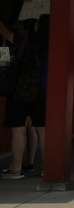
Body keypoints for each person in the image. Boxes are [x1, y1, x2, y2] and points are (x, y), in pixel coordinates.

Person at [0, 17, 47, 180]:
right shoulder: (53, 43)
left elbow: (4, 32)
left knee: (18, 129)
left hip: (22, 90)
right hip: (43, 90)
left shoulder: (23, 40)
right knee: (41, 129)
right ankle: (47, 168)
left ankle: (16, 169)